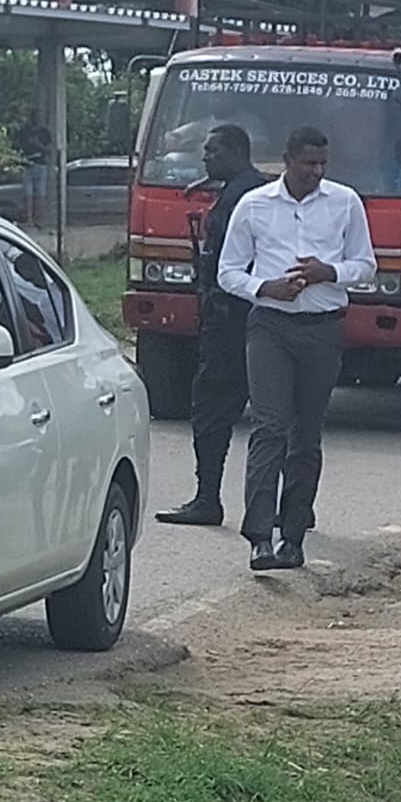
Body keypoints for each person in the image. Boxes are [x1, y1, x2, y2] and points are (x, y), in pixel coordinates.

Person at [218, 125, 376, 571]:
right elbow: (227, 272)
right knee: (269, 428)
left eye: (323, 164)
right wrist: (263, 287)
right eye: (308, 163)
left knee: (305, 435)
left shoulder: (344, 202)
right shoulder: (255, 205)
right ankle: (259, 537)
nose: (316, 172)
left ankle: (293, 534)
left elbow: (366, 265)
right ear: (287, 160)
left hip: (323, 328)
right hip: (270, 327)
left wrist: (331, 272)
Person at [157, 125, 269, 526]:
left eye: (213, 150)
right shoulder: (251, 191)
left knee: (210, 411)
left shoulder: (241, 197)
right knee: (277, 417)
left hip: (230, 322)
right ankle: (292, 508)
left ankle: (207, 498)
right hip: (257, 320)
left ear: (235, 151)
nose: (205, 157)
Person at [14, 110, 53, 228]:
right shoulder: (24, 131)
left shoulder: (45, 132)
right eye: (35, 117)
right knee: (28, 194)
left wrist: (37, 144)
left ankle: (38, 220)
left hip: (41, 165)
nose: (37, 119)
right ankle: (29, 220)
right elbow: (17, 147)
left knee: (40, 194)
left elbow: (50, 150)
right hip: (27, 165)